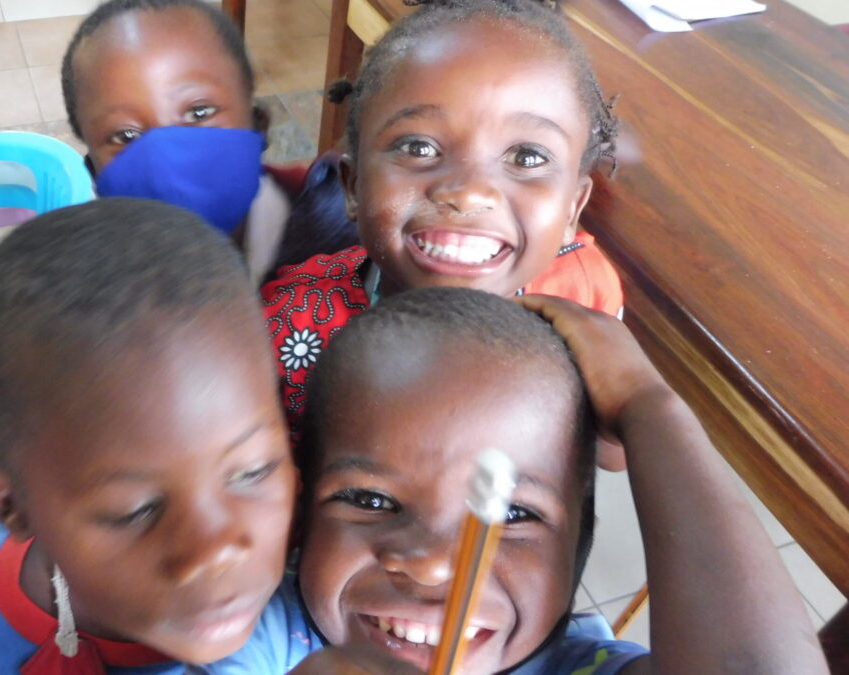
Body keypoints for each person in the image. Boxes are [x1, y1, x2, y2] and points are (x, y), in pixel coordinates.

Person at [295, 287, 828, 673]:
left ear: (579, 543)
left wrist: (649, 406)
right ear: (298, 518)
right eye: (371, 500)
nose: (433, 565)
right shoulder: (269, 634)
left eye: (512, 513)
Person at [0, 199, 321, 674]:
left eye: (253, 471)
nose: (214, 553)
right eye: (134, 509)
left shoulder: (328, 610)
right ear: (11, 505)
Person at [261, 0, 623, 442]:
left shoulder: (584, 294)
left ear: (572, 207)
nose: (469, 192)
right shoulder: (289, 327)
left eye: (527, 157)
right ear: (353, 187)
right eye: (418, 148)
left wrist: (637, 399)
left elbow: (608, 448)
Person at [60, 0, 356, 285]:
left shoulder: (340, 235)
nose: (168, 158)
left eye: (199, 112)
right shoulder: (88, 282)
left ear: (258, 125)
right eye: (127, 136)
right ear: (95, 174)